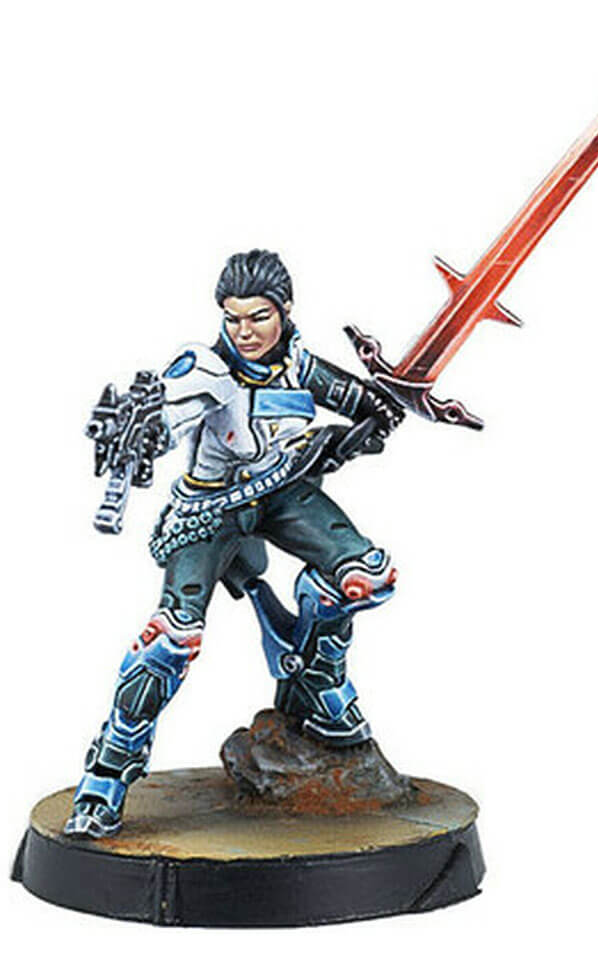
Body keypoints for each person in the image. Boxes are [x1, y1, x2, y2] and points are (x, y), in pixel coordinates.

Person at [66, 249, 404, 838]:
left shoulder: (299, 363)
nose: (245, 332)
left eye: (258, 317)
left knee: (366, 577)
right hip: (209, 510)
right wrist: (145, 428)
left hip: (284, 496)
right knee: (170, 639)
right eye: (233, 318)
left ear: (285, 311)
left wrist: (378, 415)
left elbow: (363, 402)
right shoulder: (207, 369)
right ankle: (106, 776)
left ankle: (317, 685)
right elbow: (174, 407)